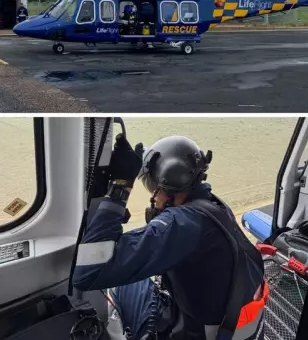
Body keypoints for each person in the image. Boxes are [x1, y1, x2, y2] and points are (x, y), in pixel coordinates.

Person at [72, 134, 266, 340]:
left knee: (123, 285)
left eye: (152, 185)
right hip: (226, 324)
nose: (153, 194)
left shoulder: (182, 224)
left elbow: (88, 273)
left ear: (167, 186)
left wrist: (120, 189)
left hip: (199, 334)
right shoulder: (214, 206)